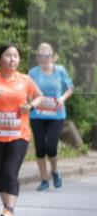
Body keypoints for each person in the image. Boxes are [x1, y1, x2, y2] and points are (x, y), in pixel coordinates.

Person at [0, 43, 44, 216]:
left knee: (10, 172)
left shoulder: (25, 80)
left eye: (15, 56)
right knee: (1, 174)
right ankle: (7, 208)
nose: (12, 59)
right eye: (8, 55)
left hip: (19, 135)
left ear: (19, 60)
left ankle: (10, 211)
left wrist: (30, 106)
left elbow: (39, 96)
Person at [28, 43, 74, 191]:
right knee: (40, 148)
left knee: (51, 147)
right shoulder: (33, 73)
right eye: (41, 56)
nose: (44, 59)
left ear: (52, 56)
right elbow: (27, 90)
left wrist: (62, 98)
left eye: (47, 55)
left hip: (56, 115)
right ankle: (44, 180)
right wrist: (30, 101)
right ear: (37, 57)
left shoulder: (60, 70)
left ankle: (54, 170)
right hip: (37, 114)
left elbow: (70, 88)